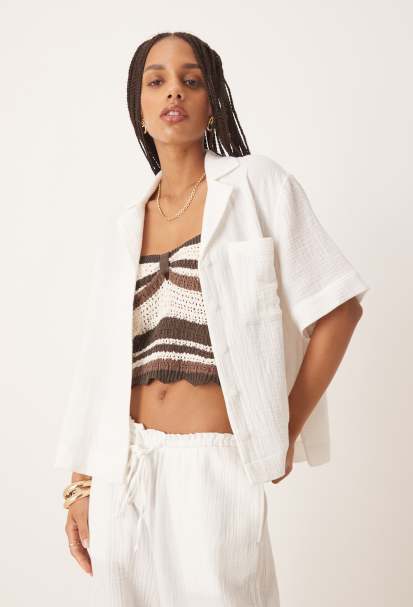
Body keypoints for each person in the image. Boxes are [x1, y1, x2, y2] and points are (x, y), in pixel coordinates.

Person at [55, 31, 370, 606]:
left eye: (191, 80)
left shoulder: (256, 185)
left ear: (212, 102)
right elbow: (99, 365)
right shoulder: (125, 225)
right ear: (139, 107)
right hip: (123, 471)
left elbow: (339, 308)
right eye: (156, 81)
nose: (174, 91)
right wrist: (82, 483)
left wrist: (284, 430)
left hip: (215, 469)